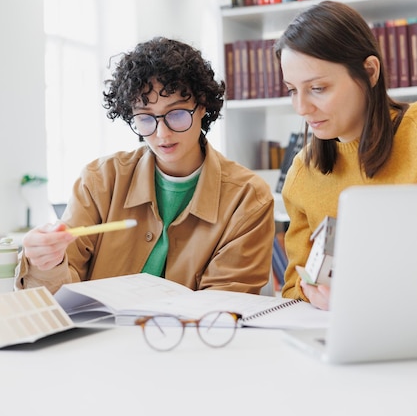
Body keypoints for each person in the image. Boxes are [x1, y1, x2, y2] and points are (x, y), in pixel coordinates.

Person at [16, 37, 275, 295]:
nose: (162, 133)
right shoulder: (100, 181)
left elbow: (223, 308)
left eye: (176, 114)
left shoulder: (247, 197)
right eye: (145, 118)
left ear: (202, 107)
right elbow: (57, 296)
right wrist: (47, 262)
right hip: (103, 336)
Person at [275, 0, 417, 310]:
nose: (301, 108)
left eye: (318, 88)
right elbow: (292, 291)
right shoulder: (303, 173)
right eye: (292, 90)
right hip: (342, 335)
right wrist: (312, 291)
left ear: (369, 72)